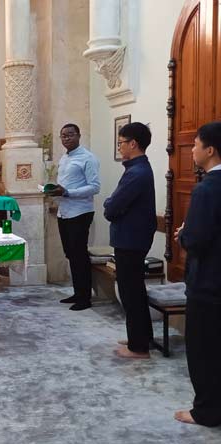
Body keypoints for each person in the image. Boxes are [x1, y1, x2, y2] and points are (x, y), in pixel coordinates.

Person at [174, 121, 221, 426]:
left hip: (208, 283)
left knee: (203, 351)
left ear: (210, 150)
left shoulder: (207, 188)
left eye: (195, 144)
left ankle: (205, 411)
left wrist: (183, 235)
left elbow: (197, 240)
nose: (192, 150)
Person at [104, 122, 156, 359]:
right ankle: (142, 337)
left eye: (121, 143)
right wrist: (112, 203)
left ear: (133, 144)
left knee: (130, 292)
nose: (119, 147)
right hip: (133, 237)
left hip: (131, 239)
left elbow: (112, 206)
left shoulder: (137, 172)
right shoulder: (137, 168)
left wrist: (109, 204)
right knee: (135, 290)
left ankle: (138, 347)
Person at [47, 124, 101, 311]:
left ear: (79, 135)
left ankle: (85, 298)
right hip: (64, 211)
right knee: (70, 254)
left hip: (80, 212)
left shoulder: (88, 158)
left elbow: (95, 187)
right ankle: (78, 293)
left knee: (79, 255)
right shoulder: (65, 158)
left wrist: (68, 192)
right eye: (63, 136)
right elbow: (65, 184)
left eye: (70, 135)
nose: (66, 138)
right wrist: (56, 190)